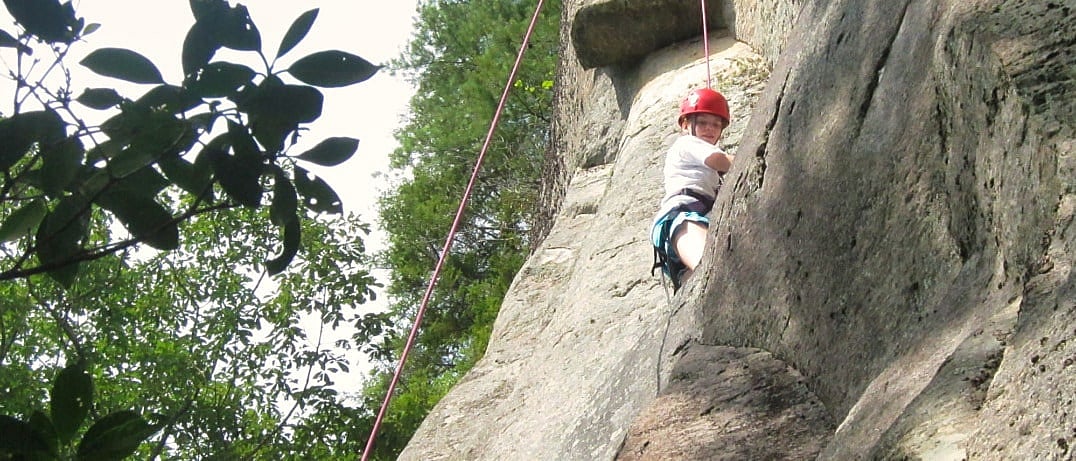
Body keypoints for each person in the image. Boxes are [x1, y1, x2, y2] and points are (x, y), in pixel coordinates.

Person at [650, 87, 734, 292]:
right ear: (686, 124)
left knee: (704, 287)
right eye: (703, 122)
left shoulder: (711, 174)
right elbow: (719, 159)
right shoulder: (687, 144)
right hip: (682, 218)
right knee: (713, 267)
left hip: (697, 222)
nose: (710, 129)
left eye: (716, 124)